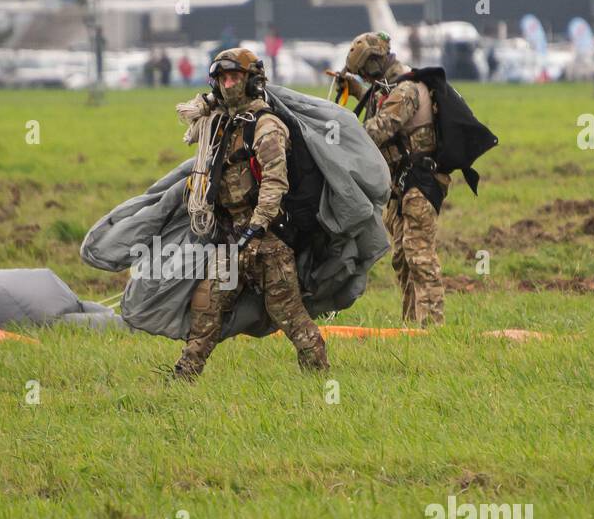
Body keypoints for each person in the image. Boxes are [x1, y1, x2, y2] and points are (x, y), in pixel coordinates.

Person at [172, 48, 328, 379]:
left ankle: (318, 375)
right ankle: (184, 376)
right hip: (230, 237)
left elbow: (275, 181)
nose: (228, 85)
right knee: (207, 307)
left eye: (235, 77)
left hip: (266, 238)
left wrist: (256, 229)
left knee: (289, 314)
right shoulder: (222, 124)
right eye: (222, 78)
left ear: (251, 81)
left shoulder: (266, 125)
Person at [336, 32, 447, 326]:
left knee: (419, 255)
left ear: (374, 62)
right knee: (402, 259)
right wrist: (356, 89)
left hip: (421, 182)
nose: (362, 76)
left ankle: (432, 326)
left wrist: (339, 133)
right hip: (400, 185)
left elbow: (381, 127)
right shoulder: (387, 87)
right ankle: (411, 324)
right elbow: (381, 104)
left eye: (363, 71)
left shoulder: (406, 89)